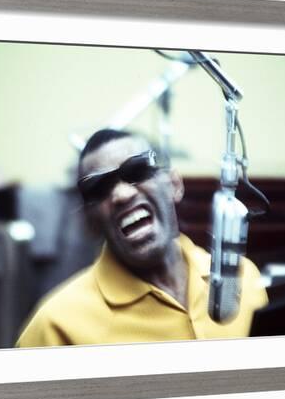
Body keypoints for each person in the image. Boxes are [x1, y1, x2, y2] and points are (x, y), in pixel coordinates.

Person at [16, 129, 268, 347]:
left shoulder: (245, 280)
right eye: (100, 188)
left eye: (137, 170)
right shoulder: (56, 324)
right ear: (89, 222)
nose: (122, 194)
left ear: (174, 185)